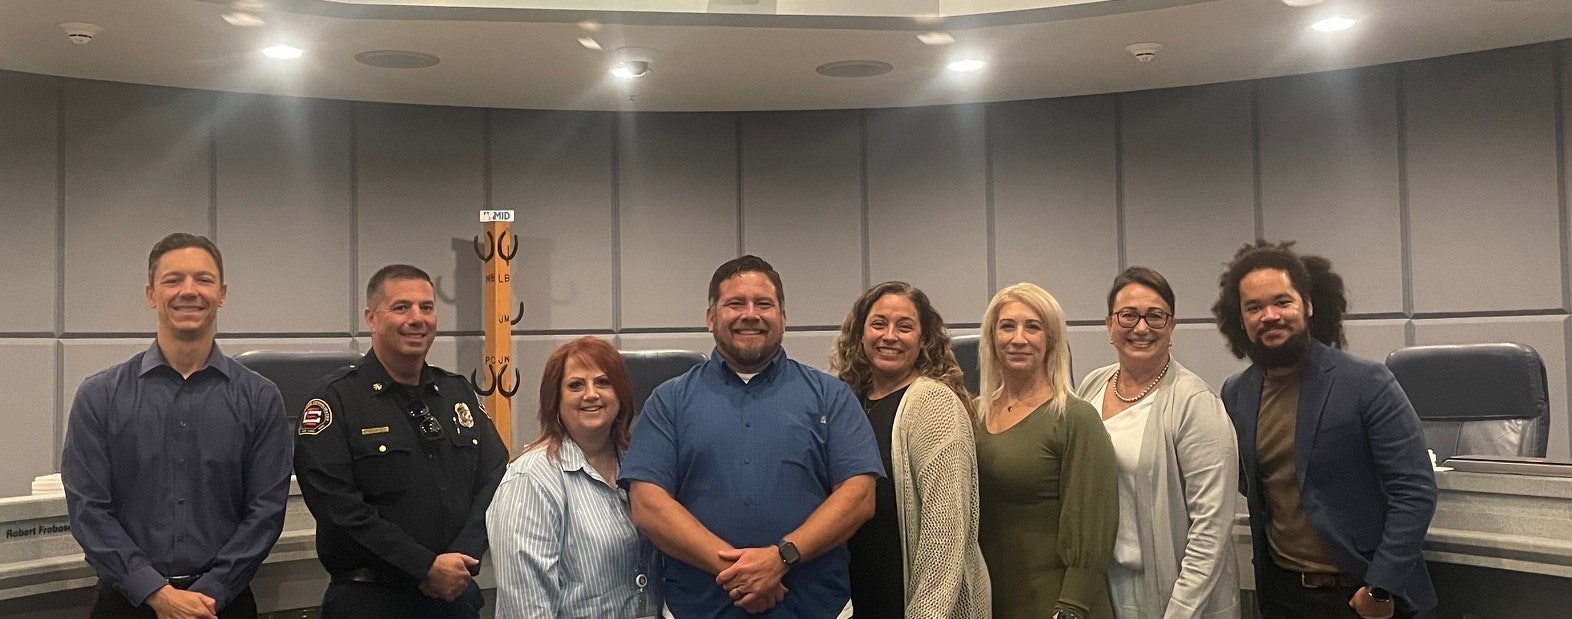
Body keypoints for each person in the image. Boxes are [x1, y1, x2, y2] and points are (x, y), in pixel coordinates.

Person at [618, 255, 883, 618]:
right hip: (699, 609)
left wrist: (781, 557)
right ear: (711, 318)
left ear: (783, 317)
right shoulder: (669, 401)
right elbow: (648, 505)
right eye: (735, 303)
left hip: (815, 608)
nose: (750, 314)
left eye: (763, 304)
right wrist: (743, 574)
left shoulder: (831, 396)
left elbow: (859, 496)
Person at [62, 232, 293, 619]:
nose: (189, 291)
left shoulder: (260, 398)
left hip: (224, 605)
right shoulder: (99, 396)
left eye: (203, 279)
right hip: (127, 603)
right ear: (152, 293)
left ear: (222, 293)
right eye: (173, 280)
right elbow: (88, 511)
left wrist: (212, 591)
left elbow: (267, 511)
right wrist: (156, 593)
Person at [1211, 241, 1436, 619]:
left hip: (1358, 595)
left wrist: (1380, 589)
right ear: (1242, 318)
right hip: (1282, 596)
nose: (1269, 315)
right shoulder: (1237, 392)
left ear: (1308, 305)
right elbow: (1253, 485)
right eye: (1254, 307)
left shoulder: (1367, 382)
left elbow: (1414, 490)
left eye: (1282, 302)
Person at [293, 264, 509, 619]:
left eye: (427, 307)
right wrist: (424, 567)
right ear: (372, 318)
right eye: (401, 307)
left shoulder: (456, 393)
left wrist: (463, 556)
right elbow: (338, 509)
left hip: (454, 598)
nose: (417, 318)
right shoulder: (336, 401)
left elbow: (496, 478)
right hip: (370, 600)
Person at [1072, 267, 1240, 619]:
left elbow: (1210, 529)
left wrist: (1179, 613)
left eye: (1155, 316)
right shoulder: (1091, 387)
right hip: (1103, 592)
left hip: (1173, 599)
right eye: (1128, 315)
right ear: (1109, 326)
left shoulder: (1195, 404)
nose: (1141, 328)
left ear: (1172, 326)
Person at [829, 281, 991, 618]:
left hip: (916, 604)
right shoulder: (849, 402)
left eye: (905, 327)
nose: (890, 336)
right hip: (859, 598)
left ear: (923, 340)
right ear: (860, 334)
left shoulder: (933, 404)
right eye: (878, 324)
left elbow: (945, 534)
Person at [487, 336, 661, 618]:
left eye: (603, 382)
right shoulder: (531, 478)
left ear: (621, 393)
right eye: (575, 385)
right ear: (555, 399)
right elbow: (528, 606)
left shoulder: (641, 464)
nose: (591, 394)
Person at [974, 282, 1118, 619]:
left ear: (1051, 340)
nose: (1018, 338)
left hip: (1058, 604)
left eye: (1033, 327)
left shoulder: (1074, 418)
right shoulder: (972, 415)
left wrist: (1071, 606)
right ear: (992, 338)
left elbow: (1094, 528)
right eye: (1007, 326)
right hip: (991, 600)